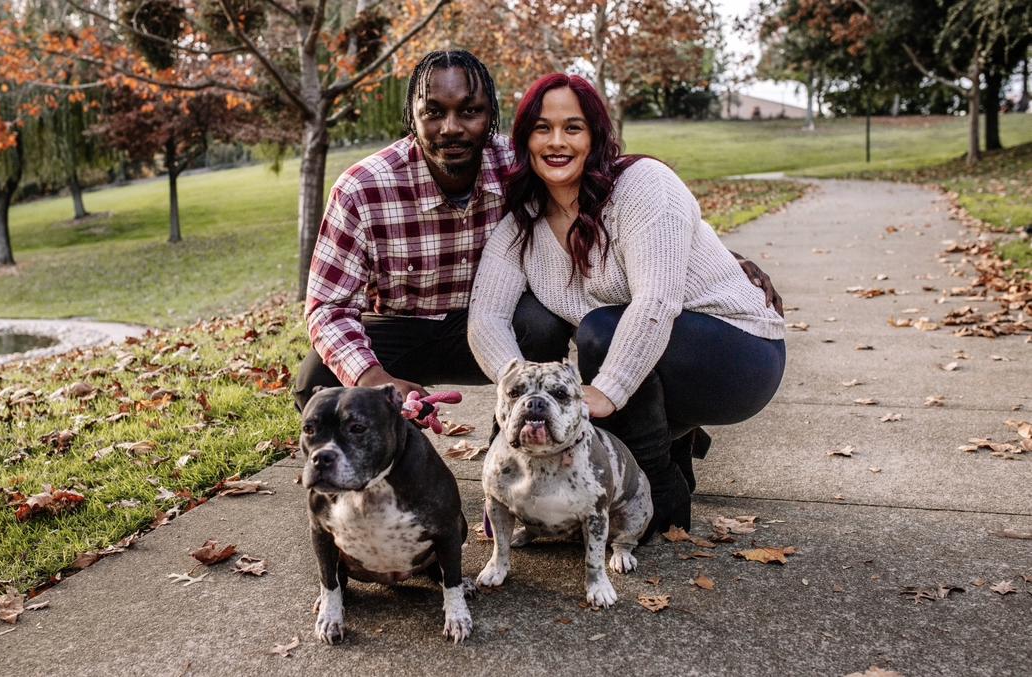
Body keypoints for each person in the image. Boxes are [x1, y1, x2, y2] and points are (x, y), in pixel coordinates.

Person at [295, 51, 782, 419]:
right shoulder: (363, 189)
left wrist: (720, 257)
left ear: (492, 116)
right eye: (434, 112)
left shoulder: (519, 163)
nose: (452, 128)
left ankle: (532, 427)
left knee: (545, 323)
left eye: (470, 111)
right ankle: (370, 462)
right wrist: (374, 380)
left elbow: (644, 209)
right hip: (401, 328)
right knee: (319, 381)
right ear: (412, 117)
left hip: (491, 322)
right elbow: (326, 308)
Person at [467, 73, 787, 536]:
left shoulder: (642, 185)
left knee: (602, 331)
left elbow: (656, 300)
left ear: (596, 135)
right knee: (550, 323)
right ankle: (664, 450)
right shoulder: (523, 225)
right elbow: (487, 317)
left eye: (573, 127)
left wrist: (605, 392)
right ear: (525, 141)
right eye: (542, 128)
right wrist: (513, 389)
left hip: (740, 353)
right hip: (660, 357)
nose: (557, 141)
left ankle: (661, 487)